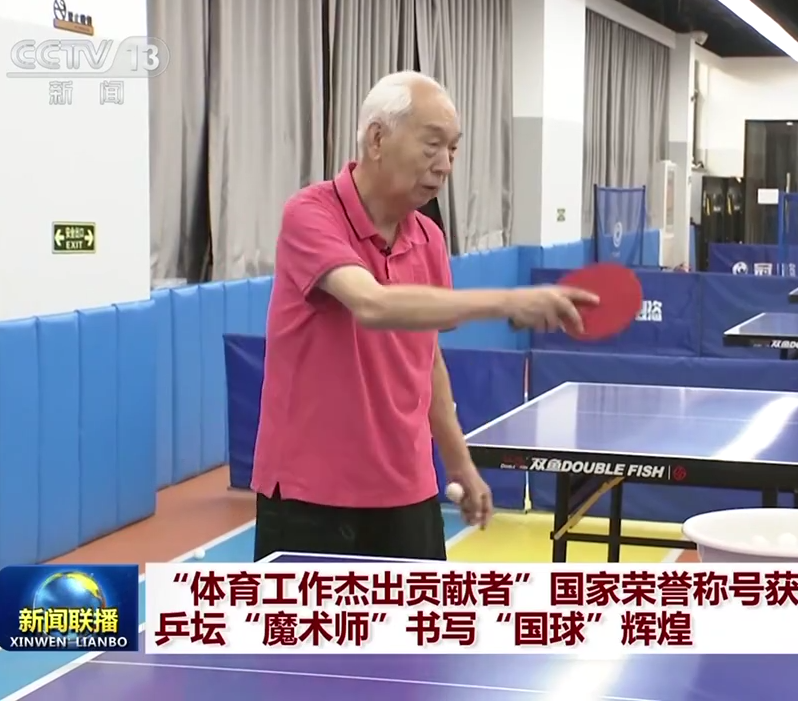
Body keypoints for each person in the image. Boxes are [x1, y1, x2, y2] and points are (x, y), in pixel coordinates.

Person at [251, 71, 597, 561]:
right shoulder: (311, 214)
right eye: (433, 145)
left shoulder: (429, 238)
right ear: (377, 139)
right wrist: (508, 301)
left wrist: (460, 463)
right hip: (312, 493)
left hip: (407, 490)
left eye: (453, 150)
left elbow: (426, 359)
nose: (445, 164)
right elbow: (372, 304)